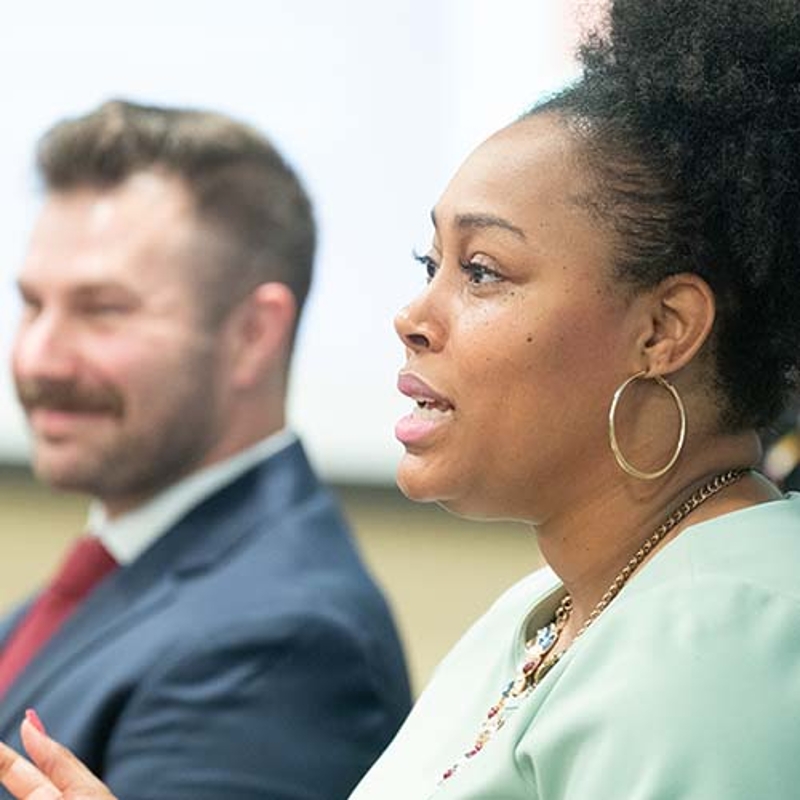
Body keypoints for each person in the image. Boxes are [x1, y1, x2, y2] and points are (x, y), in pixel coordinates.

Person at [3, 0, 800, 796]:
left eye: (482, 271)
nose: (413, 318)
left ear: (664, 328)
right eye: (431, 265)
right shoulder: (545, 609)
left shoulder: (718, 634)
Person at [0, 99, 411, 800]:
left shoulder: (285, 643)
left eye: (103, 310)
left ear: (252, 333)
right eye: (33, 304)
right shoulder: (125, 565)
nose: (38, 358)